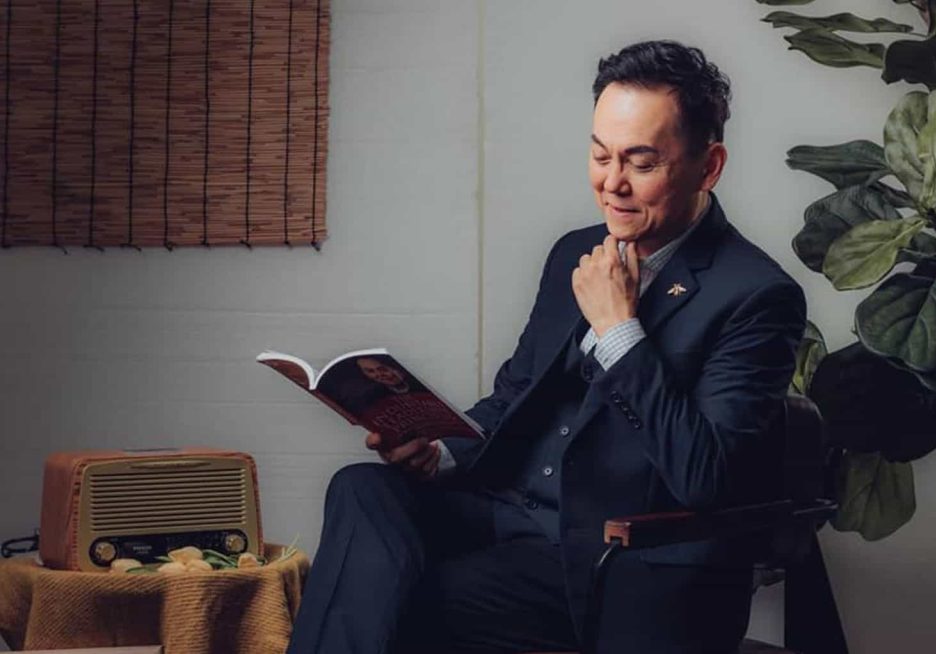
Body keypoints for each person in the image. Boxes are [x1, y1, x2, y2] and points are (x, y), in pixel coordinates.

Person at [288, 40, 806, 654]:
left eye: (641, 163)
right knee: (361, 487)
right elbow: (516, 394)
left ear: (708, 165)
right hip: (503, 513)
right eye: (599, 155)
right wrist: (440, 450)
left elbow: (706, 477)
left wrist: (619, 332)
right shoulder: (574, 252)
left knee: (405, 596)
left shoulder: (757, 295)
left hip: (613, 556)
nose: (612, 184)